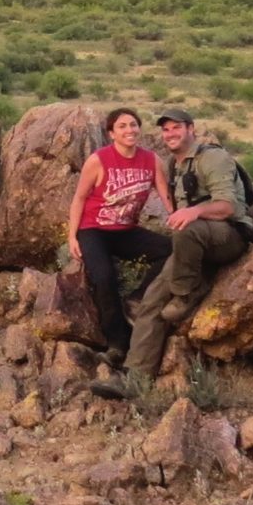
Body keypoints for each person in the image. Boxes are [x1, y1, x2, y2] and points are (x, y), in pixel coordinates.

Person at [98, 107, 253, 396]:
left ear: (191, 129)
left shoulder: (212, 157)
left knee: (185, 229)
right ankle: (136, 380)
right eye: (165, 129)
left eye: (176, 127)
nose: (170, 134)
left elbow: (228, 207)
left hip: (228, 236)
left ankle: (186, 293)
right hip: (193, 245)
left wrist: (193, 212)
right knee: (152, 300)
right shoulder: (175, 166)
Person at [64, 107, 172, 366]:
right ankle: (117, 344)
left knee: (172, 249)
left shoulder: (151, 160)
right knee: (104, 277)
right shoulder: (99, 160)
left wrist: (177, 216)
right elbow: (79, 198)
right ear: (111, 133)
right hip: (94, 230)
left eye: (133, 125)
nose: (129, 130)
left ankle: (136, 299)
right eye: (122, 126)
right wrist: (72, 236)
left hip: (125, 230)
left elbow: (166, 194)